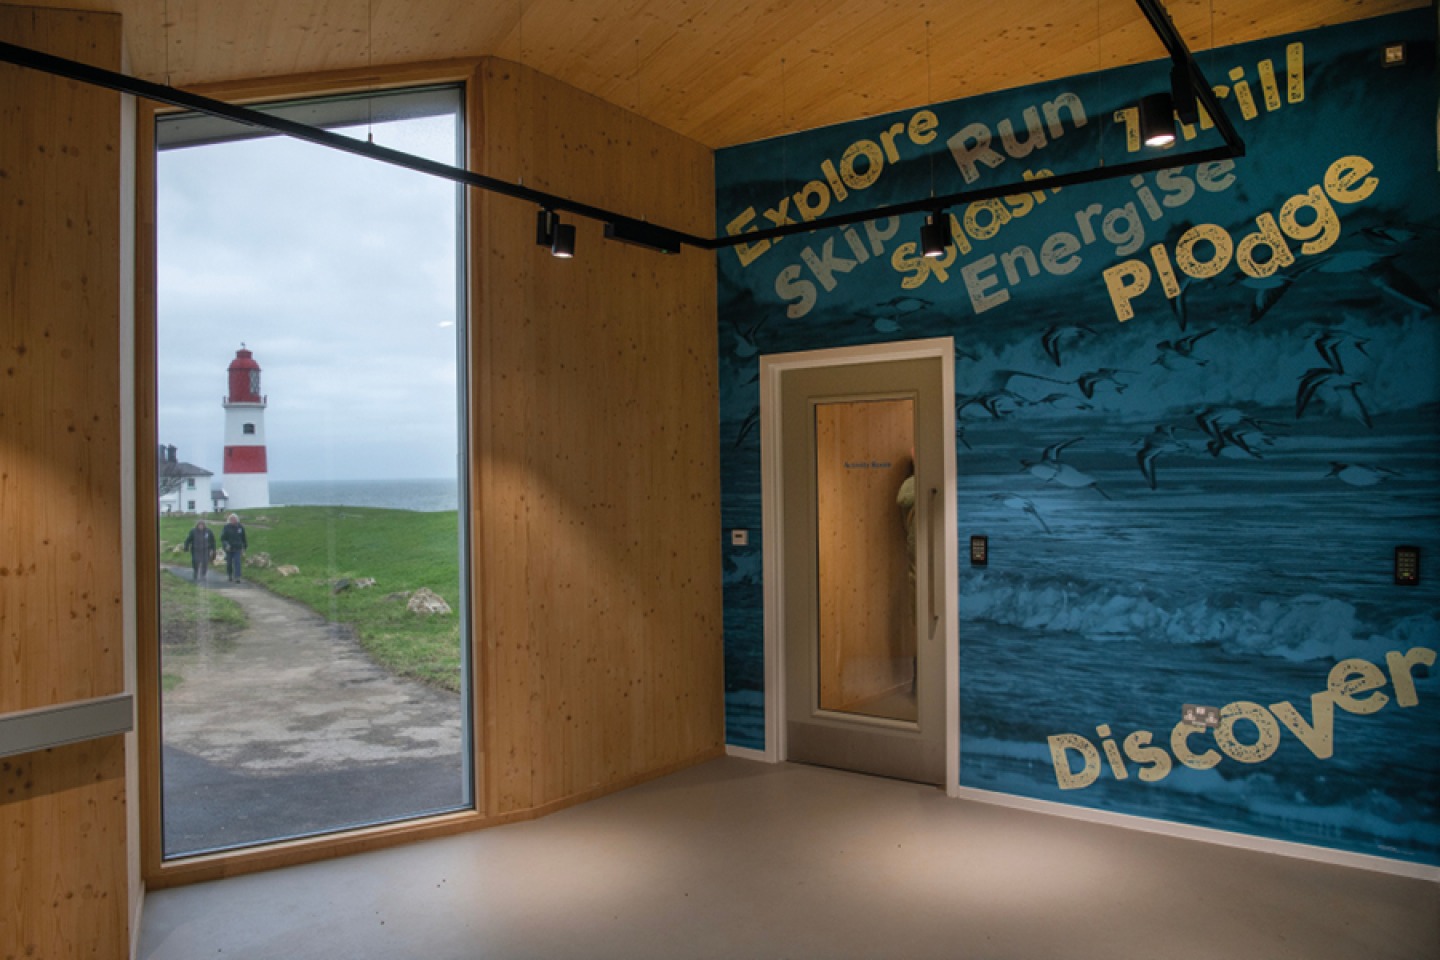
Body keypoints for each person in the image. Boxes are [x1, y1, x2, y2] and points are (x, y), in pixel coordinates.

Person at [220, 513, 248, 582]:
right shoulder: (226, 527)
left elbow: (243, 537)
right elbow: (223, 538)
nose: (233, 520)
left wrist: (244, 546)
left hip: (237, 547)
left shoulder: (240, 527)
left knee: (237, 562)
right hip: (229, 548)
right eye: (231, 519)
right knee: (229, 563)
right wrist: (226, 544)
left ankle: (237, 577)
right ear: (229, 520)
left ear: (237, 519)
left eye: (234, 519)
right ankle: (229, 575)